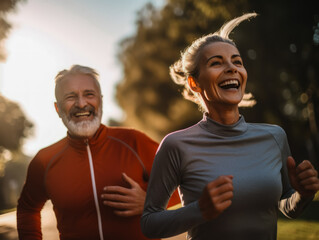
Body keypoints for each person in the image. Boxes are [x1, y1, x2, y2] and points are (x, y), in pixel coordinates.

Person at [141, 13, 319, 240]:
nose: (232, 68)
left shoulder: (274, 137)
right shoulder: (176, 145)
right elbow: (149, 222)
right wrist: (200, 210)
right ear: (194, 83)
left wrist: (303, 195)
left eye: (237, 62)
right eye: (216, 63)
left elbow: (287, 206)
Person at [17, 65, 180, 240]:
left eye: (89, 94)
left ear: (100, 101)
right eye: (70, 97)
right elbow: (28, 208)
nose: (81, 103)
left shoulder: (134, 141)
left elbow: (185, 180)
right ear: (58, 109)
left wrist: (152, 201)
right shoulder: (44, 160)